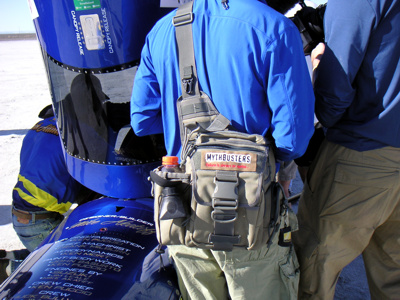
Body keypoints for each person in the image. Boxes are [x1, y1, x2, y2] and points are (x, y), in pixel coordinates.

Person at [131, 0, 315, 299]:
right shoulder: (273, 27)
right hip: (252, 214)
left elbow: (142, 120)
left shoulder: (161, 31)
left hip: (184, 211)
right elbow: (293, 139)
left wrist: (192, 137)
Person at [293, 0, 400, 299]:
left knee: (313, 269)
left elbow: (334, 93)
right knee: (394, 276)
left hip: (362, 158)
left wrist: (316, 72)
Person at [1, 105, 98, 280]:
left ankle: (13, 257)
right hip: (38, 222)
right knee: (75, 268)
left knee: (46, 251)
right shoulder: (75, 137)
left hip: (24, 213)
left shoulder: (40, 127)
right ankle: (12, 270)